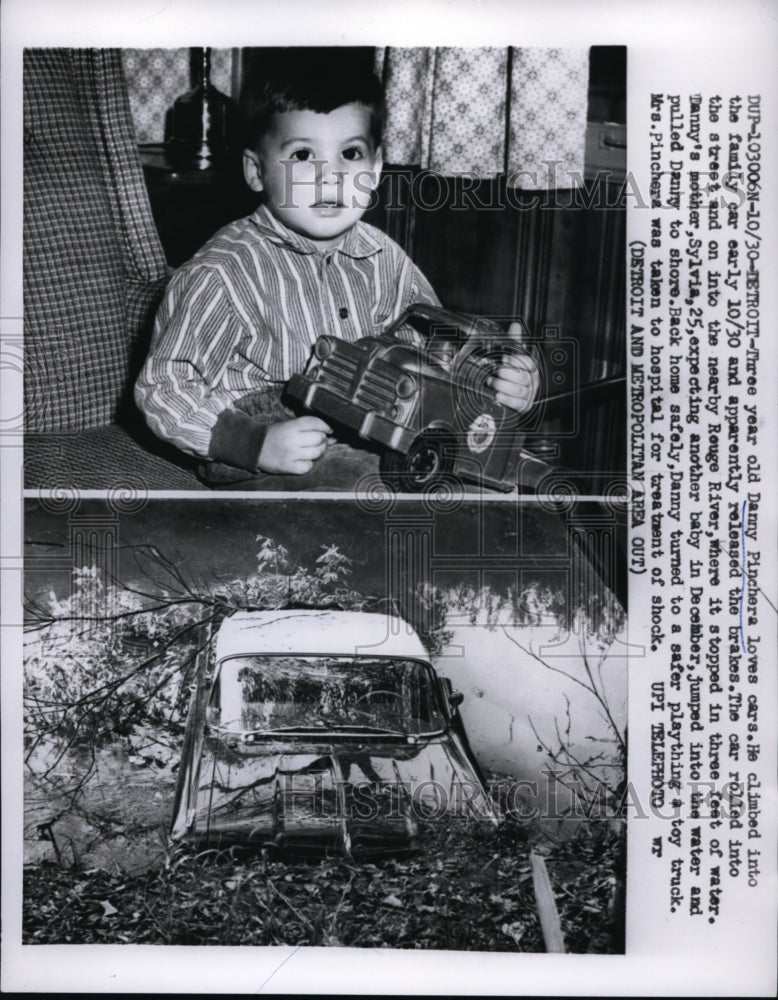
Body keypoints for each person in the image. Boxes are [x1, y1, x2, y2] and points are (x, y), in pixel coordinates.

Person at [135, 60, 539, 490]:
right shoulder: (222, 272)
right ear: (256, 171)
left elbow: (433, 357)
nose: (331, 177)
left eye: (350, 154)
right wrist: (253, 442)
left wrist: (495, 383)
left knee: (502, 481)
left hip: (375, 425)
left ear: (377, 167)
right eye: (303, 155)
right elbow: (163, 386)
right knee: (382, 494)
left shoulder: (386, 257)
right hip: (271, 444)